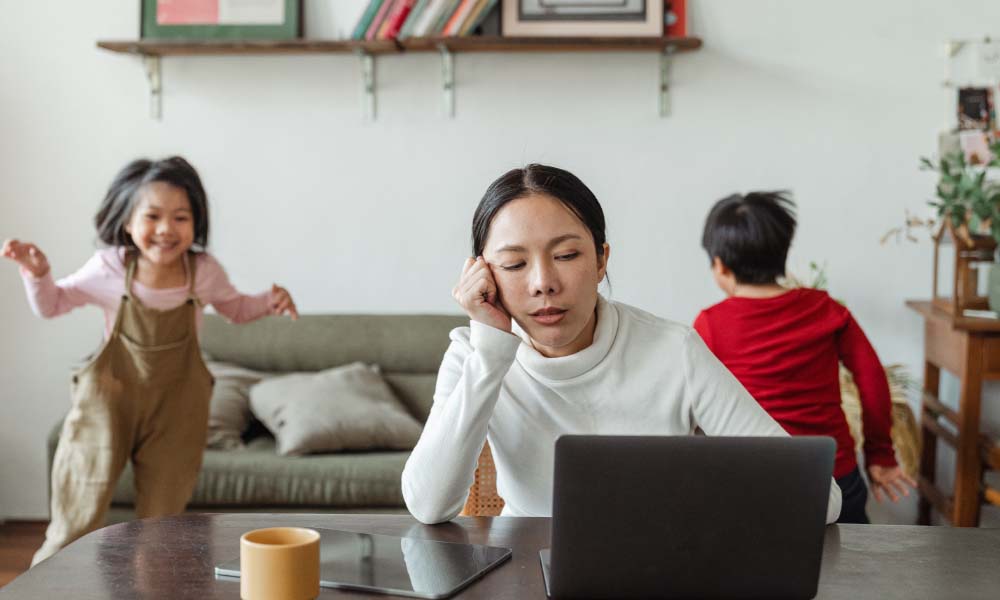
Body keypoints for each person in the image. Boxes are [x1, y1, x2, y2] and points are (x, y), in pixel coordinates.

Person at [401, 165, 841, 525]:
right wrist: (491, 352)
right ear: (483, 275)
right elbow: (428, 506)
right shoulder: (473, 354)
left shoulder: (674, 350)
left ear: (601, 260)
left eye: (566, 255)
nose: (543, 283)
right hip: (525, 570)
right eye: (514, 264)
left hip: (658, 567)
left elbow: (820, 499)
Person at [2, 156, 299, 565]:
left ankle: (150, 590)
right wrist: (37, 275)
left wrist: (269, 301)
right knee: (75, 518)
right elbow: (52, 304)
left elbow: (235, 308)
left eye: (181, 217)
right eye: (153, 216)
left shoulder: (204, 272)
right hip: (107, 403)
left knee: (160, 530)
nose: (165, 229)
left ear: (196, 223)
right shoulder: (109, 267)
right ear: (127, 222)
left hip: (177, 410)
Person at [693, 191, 915, 524]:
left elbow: (696, 403)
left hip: (754, 481)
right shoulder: (826, 309)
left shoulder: (710, 324)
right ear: (783, 253)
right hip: (834, 476)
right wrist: (880, 453)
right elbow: (872, 379)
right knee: (851, 556)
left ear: (720, 266)